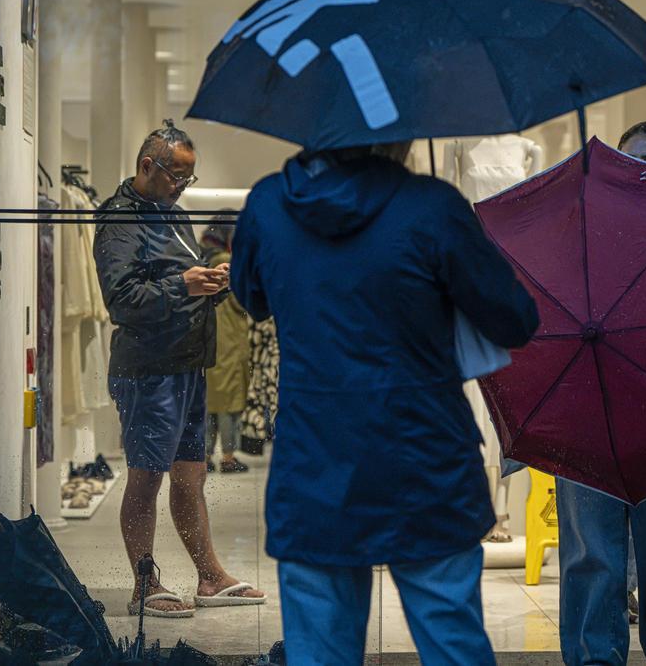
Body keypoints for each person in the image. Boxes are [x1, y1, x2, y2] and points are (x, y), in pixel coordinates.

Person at [229, 141, 539, 664]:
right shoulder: (432, 206)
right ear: (399, 134)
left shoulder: (268, 204)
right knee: (452, 646)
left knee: (320, 654)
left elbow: (251, 297)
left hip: (315, 469)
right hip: (426, 464)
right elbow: (515, 319)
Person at [94, 120, 265, 618]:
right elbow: (121, 301)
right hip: (150, 369)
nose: (182, 186)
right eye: (177, 176)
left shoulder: (171, 213)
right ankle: (144, 584)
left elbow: (180, 281)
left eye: (189, 179)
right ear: (148, 165)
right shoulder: (120, 219)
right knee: (146, 479)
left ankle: (209, 576)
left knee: (190, 477)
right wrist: (183, 287)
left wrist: (216, 281)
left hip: (188, 365)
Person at [554, 121, 646, 666]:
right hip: (587, 412)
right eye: (628, 159)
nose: (640, 169)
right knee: (590, 556)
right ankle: (595, 657)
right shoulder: (580, 232)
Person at [200, 212, 251, 474]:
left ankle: (206, 456)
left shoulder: (203, 258)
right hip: (230, 341)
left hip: (209, 338)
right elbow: (243, 301)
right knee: (230, 405)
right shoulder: (228, 262)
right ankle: (228, 457)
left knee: (210, 403)